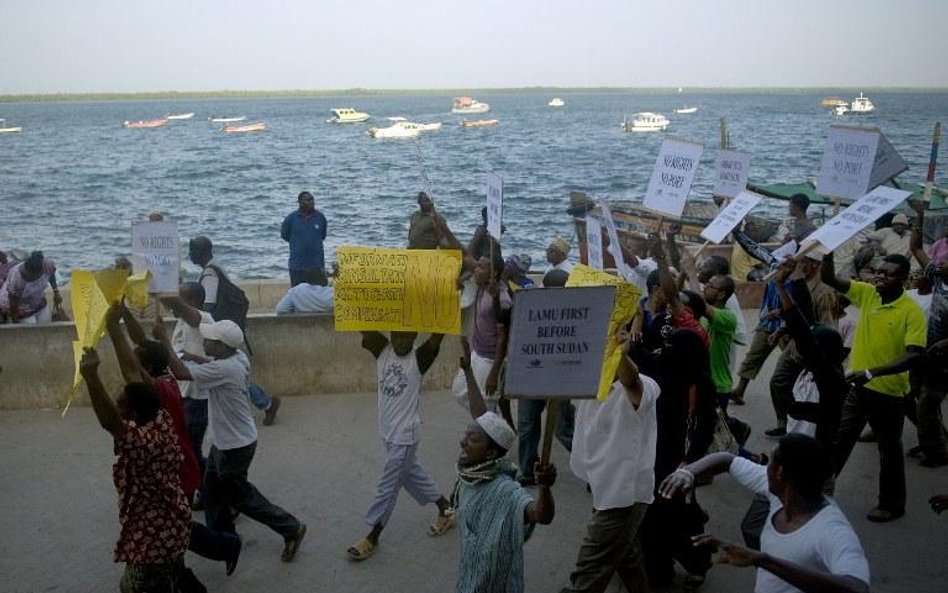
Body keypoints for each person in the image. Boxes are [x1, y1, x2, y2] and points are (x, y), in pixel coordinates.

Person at [154, 319, 308, 560]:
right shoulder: (236, 358)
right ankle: (224, 541)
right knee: (212, 492)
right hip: (227, 442)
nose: (204, 342)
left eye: (210, 341)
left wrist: (164, 339)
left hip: (234, 447)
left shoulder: (224, 369)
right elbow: (209, 363)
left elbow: (181, 373)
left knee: (241, 497)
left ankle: (291, 527)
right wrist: (194, 357)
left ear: (223, 347)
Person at [659, 434, 870, 593]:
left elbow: (857, 588)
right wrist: (687, 473)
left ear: (780, 473)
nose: (765, 468)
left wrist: (761, 560)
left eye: (770, 463)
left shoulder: (833, 531)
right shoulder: (783, 492)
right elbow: (727, 460)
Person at [821, 251, 926, 522]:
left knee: (889, 450)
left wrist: (873, 372)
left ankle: (892, 504)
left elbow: (914, 353)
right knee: (840, 440)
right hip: (859, 387)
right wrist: (828, 253)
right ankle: (819, 494)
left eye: (888, 273)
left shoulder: (911, 311)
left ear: (903, 279)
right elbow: (829, 278)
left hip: (890, 393)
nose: (880, 277)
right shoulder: (868, 293)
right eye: (878, 271)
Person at [78, 347, 191, 593]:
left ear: (134, 412)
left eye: (122, 405)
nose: (117, 408)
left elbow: (110, 422)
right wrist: (113, 325)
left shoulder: (144, 441)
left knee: (136, 586)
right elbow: (132, 373)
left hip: (154, 539)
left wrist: (91, 377)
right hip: (170, 526)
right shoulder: (159, 417)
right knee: (171, 578)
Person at [455, 338, 556, 593]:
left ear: (490, 453)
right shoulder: (473, 472)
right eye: (466, 435)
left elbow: (541, 515)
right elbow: (481, 419)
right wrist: (467, 371)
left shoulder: (505, 490)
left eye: (472, 439)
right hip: (470, 578)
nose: (463, 441)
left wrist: (544, 487)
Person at [560, 328, 658, 593]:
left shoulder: (645, 386)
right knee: (626, 555)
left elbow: (632, 382)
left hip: (624, 494)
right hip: (602, 485)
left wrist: (619, 355)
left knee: (588, 572)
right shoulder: (592, 383)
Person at [346, 330, 454, 561]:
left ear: (414, 337)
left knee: (389, 485)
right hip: (387, 433)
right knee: (410, 474)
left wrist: (452, 299)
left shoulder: (419, 358)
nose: (401, 341)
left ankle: (373, 536)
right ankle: (446, 507)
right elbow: (362, 320)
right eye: (397, 336)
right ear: (391, 334)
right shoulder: (382, 349)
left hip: (405, 437)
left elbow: (438, 334)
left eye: (407, 337)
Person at [637, 329, 716, 590]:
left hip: (681, 467)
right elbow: (640, 357)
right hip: (655, 463)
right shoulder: (663, 371)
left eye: (674, 347)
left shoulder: (701, 383)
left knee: (680, 522)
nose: (667, 350)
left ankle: (697, 565)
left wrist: (691, 466)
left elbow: (704, 428)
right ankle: (660, 575)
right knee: (654, 523)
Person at [516, 269, 576, 487]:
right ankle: (528, 470)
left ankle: (590, 469)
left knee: (563, 429)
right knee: (527, 426)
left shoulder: (574, 312)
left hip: (559, 379)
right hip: (533, 376)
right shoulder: (532, 307)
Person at [908, 200, 948, 467]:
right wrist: (919, 216)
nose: (940, 262)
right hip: (927, 352)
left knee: (927, 403)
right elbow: (915, 248)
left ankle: (937, 454)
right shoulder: (937, 278)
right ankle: (932, 440)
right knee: (917, 396)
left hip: (944, 360)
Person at [281, 191, 328, 286]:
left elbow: (322, 236)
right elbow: (285, 235)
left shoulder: (320, 217)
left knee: (317, 296)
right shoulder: (291, 219)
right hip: (297, 266)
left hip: (316, 266)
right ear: (300, 202)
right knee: (298, 294)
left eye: (312, 199)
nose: (312, 202)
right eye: (308, 200)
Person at [0, 250, 60, 324]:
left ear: (40, 272)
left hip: (36, 301)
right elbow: (13, 304)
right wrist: (15, 323)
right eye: (25, 275)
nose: (27, 277)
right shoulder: (17, 280)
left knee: (46, 322)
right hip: (16, 305)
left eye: (30, 277)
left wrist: (56, 292)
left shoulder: (46, 264)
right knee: (30, 325)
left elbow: (51, 274)